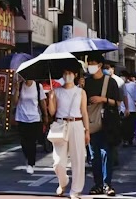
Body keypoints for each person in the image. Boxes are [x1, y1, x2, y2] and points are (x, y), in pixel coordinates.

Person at [48, 65, 90, 199]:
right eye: (65, 73)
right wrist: (50, 98)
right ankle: (63, 181)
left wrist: (87, 130)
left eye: (70, 73)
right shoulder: (56, 91)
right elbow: (52, 112)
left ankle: (75, 191)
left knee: (78, 159)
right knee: (58, 162)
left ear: (75, 75)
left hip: (77, 124)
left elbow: (84, 112)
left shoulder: (80, 92)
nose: (67, 75)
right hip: (60, 125)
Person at [85, 53, 121, 196]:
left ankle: (107, 184)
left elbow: (117, 102)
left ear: (100, 65)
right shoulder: (86, 82)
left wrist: (103, 99)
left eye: (92, 63)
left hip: (107, 124)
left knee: (106, 153)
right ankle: (98, 184)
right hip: (91, 123)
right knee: (94, 156)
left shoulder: (110, 82)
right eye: (89, 63)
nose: (90, 66)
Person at [12, 79, 48, 174]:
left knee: (32, 142)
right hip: (21, 117)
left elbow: (42, 102)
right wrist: (16, 90)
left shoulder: (37, 86)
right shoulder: (19, 86)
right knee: (24, 142)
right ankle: (28, 158)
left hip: (34, 118)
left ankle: (31, 163)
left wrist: (45, 115)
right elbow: (14, 102)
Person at [123, 73, 136, 146]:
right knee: (129, 125)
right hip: (127, 108)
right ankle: (128, 139)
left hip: (129, 108)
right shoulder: (133, 85)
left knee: (127, 125)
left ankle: (127, 139)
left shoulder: (133, 85)